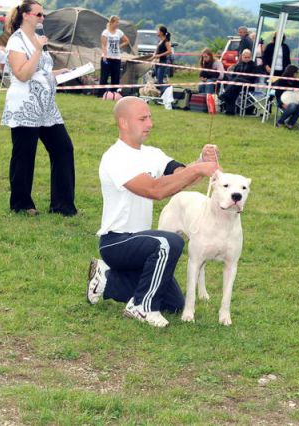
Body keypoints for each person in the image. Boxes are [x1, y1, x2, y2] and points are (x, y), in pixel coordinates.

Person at [86, 96, 220, 328]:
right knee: (169, 242)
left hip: (142, 242)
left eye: (150, 117)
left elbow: (181, 175)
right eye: (142, 118)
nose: (149, 123)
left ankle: (106, 280)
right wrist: (198, 169)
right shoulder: (115, 157)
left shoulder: (152, 153)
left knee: (175, 304)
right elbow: (154, 190)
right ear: (123, 123)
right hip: (116, 242)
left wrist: (200, 163)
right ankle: (141, 307)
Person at [1, 0, 77, 216]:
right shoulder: (16, 42)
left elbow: (40, 71)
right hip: (25, 105)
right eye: (38, 14)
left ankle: (63, 205)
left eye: (43, 15)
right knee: (24, 154)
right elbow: (23, 74)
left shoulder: (37, 40)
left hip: (46, 106)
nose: (42, 18)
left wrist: (60, 73)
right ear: (25, 15)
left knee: (63, 148)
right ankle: (21, 204)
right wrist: (37, 49)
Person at [218, 49, 260, 115]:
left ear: (251, 57)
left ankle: (225, 95)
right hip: (236, 84)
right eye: (245, 57)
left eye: (248, 57)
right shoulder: (238, 65)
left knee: (237, 80)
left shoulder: (254, 65)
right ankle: (230, 111)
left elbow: (253, 77)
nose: (246, 59)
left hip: (248, 85)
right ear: (242, 57)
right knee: (232, 91)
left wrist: (240, 78)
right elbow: (233, 76)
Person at [99, 15, 129, 97]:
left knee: (115, 76)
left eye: (118, 23)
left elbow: (127, 41)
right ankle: (101, 94)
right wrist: (105, 56)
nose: (117, 24)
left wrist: (120, 46)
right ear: (112, 23)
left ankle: (114, 94)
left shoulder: (119, 32)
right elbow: (104, 45)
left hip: (116, 58)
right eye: (116, 22)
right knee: (104, 76)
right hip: (107, 57)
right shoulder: (105, 32)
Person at [274, 64, 299, 129]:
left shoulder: (296, 81)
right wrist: (281, 103)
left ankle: (290, 123)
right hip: (283, 100)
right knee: (293, 106)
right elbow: (277, 94)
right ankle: (279, 122)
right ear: (291, 73)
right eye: (296, 73)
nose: (297, 74)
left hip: (294, 99)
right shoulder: (281, 81)